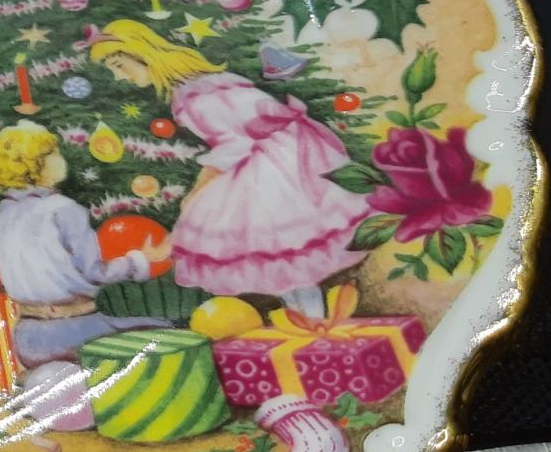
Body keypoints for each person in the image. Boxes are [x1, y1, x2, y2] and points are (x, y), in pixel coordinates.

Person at [88, 19, 365, 318]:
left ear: (142, 54)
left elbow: (236, 145)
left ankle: (312, 321)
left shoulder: (197, 96)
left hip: (271, 167)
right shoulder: (203, 87)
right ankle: (308, 321)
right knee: (281, 255)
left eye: (119, 65)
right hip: (276, 157)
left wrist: (198, 190)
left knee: (279, 248)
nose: (119, 77)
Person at [0, 123, 169, 370]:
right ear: (37, 164)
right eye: (54, 154)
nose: (61, 159)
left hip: (27, 338)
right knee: (165, 331)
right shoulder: (62, 208)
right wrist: (141, 259)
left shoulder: (3, 216)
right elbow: (95, 272)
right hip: (77, 333)